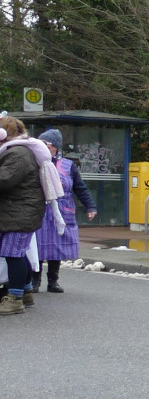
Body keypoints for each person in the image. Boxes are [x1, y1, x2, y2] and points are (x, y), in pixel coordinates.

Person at [29, 129, 95, 293]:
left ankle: (53, 281)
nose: (42, 146)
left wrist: (91, 206)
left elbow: (80, 188)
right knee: (38, 245)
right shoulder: (33, 162)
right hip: (40, 210)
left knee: (56, 246)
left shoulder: (67, 165)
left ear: (55, 147)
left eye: (46, 144)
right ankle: (35, 280)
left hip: (61, 210)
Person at [0, 117, 52, 314]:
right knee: (17, 253)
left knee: (13, 254)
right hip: (18, 211)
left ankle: (15, 299)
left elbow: (4, 180)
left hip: (19, 213)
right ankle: (26, 291)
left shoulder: (17, 153)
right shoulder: (17, 150)